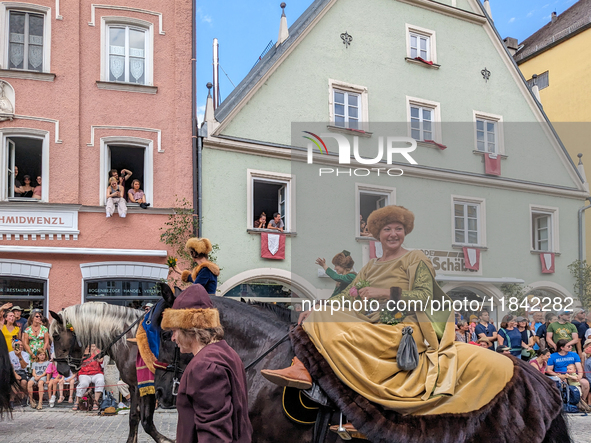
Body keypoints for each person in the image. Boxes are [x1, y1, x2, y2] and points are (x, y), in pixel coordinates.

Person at [261, 205, 514, 416]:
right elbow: (348, 298)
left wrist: (385, 292)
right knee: (323, 318)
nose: (393, 234)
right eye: (387, 229)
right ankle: (304, 371)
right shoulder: (370, 266)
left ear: (404, 232)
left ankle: (361, 408)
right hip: (371, 322)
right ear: (377, 235)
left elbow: (426, 297)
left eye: (398, 229)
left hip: (405, 329)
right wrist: (317, 308)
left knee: (346, 335)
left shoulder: (415, 259)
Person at [161, 284, 253, 443]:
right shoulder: (227, 353)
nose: (173, 338)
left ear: (190, 328)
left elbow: (214, 437)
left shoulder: (205, 366)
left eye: (175, 330)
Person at [73, 345, 105, 411]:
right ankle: (77, 401)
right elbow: (77, 363)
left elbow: (100, 360)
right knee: (84, 383)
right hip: (84, 373)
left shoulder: (98, 351)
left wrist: (95, 352)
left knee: (100, 380)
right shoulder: (81, 352)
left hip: (97, 372)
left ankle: (95, 401)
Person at [9, 338, 30, 405]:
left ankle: (23, 398)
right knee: (15, 382)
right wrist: (15, 375)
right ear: (13, 347)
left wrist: (20, 356)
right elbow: (10, 366)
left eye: (21, 345)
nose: (20, 346)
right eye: (18, 345)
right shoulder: (9, 354)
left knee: (24, 382)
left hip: (22, 371)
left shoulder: (25, 354)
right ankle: (11, 400)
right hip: (13, 371)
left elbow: (24, 366)